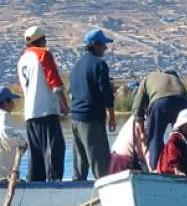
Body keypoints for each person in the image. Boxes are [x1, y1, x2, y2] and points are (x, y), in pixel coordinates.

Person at [16, 25, 68, 181]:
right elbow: (55, 82)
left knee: (36, 153)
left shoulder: (22, 60)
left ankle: (35, 183)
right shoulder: (43, 54)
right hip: (46, 110)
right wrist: (63, 104)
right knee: (54, 150)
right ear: (42, 40)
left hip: (30, 113)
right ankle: (54, 184)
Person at [68, 29, 117, 180]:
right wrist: (112, 116)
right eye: (103, 45)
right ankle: (106, 196)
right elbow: (105, 94)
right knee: (100, 162)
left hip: (75, 118)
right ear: (95, 45)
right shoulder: (99, 64)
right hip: (91, 119)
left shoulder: (76, 65)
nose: (106, 48)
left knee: (79, 162)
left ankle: (76, 190)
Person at [130, 69, 187, 171]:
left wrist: (142, 133)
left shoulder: (148, 78)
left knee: (155, 138)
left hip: (160, 102)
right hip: (183, 102)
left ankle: (156, 170)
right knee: (185, 138)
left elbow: (137, 107)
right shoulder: (176, 79)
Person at [156, 108, 187, 176]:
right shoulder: (175, 139)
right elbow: (173, 156)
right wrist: (177, 170)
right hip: (169, 172)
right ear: (181, 126)